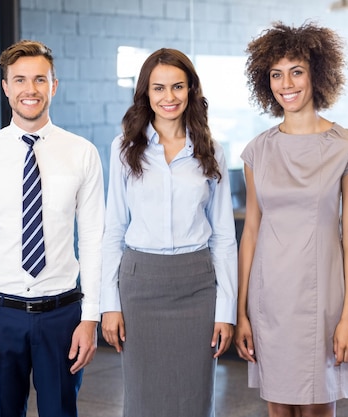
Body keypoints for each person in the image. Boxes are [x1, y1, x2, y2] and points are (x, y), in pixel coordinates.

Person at [0, 39, 105, 417]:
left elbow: (92, 239)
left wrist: (91, 317)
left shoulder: (82, 153)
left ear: (54, 85)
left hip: (62, 315)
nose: (30, 89)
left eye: (40, 79)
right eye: (20, 79)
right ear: (5, 86)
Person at [234, 22, 348, 417]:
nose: (286, 83)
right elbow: (251, 232)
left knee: (316, 409)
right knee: (278, 410)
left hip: (322, 301)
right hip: (269, 300)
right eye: (276, 74)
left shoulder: (346, 147)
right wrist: (240, 313)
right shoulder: (257, 150)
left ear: (317, 75)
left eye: (296, 71)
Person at [100, 48, 238, 417]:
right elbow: (113, 229)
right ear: (146, 92)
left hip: (196, 285)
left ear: (191, 89)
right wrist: (109, 303)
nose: (169, 97)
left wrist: (226, 309)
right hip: (139, 284)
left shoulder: (211, 150)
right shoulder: (123, 149)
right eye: (158, 88)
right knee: (143, 399)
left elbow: (224, 237)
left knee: (194, 398)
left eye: (178, 87)